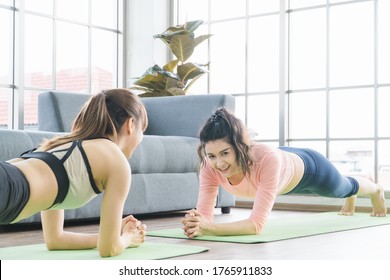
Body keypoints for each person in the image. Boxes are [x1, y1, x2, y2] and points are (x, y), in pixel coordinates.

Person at [181, 107, 387, 238]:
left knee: (343, 187)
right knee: (342, 189)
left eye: (225, 153)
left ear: (240, 146)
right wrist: (195, 223)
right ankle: (351, 193)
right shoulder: (208, 165)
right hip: (283, 163)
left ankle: (374, 189)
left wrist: (210, 229)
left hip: (310, 169)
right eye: (212, 155)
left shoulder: (266, 159)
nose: (219, 163)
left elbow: (255, 225)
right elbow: (204, 217)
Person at [0, 88, 148, 257]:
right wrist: (129, 237)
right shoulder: (116, 160)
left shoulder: (58, 145)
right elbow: (109, 249)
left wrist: (111, 234)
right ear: (131, 125)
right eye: (142, 130)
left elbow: (55, 240)